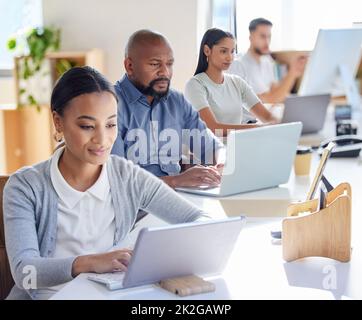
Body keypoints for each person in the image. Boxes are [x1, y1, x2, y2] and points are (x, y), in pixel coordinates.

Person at [3, 66, 211, 300]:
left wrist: (155, 258)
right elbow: (25, 273)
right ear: (58, 122)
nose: (102, 139)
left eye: (111, 125)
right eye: (87, 126)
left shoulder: (127, 176)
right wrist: (90, 263)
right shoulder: (25, 186)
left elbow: (201, 222)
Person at [111, 29, 224, 188]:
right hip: (135, 207)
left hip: (178, 197)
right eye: (155, 64)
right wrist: (176, 181)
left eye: (169, 64)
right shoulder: (109, 105)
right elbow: (117, 180)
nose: (165, 72)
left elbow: (211, 147)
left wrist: (220, 164)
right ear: (130, 66)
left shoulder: (177, 102)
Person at [185, 28, 278, 137]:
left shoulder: (237, 82)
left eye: (232, 51)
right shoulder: (195, 85)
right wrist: (255, 128)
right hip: (209, 150)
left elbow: (266, 117)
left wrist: (280, 123)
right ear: (207, 50)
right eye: (223, 51)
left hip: (237, 147)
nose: (230, 57)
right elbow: (212, 128)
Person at [228, 18, 307, 103]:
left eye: (269, 36)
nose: (267, 41)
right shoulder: (238, 65)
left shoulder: (267, 62)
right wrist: (292, 73)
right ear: (251, 37)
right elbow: (261, 101)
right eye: (263, 36)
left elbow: (275, 91)